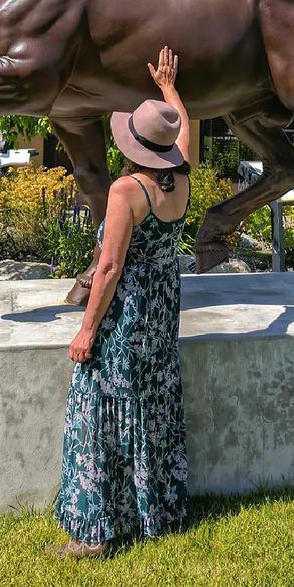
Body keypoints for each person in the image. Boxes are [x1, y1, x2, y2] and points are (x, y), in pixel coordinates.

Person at [49, 47, 192, 558]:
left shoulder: (125, 190)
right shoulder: (183, 178)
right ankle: (155, 508)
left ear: (130, 142)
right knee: (151, 401)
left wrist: (87, 329)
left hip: (129, 307)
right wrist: (170, 91)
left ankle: (97, 531)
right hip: (163, 301)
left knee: (100, 406)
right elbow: (186, 132)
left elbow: (107, 268)